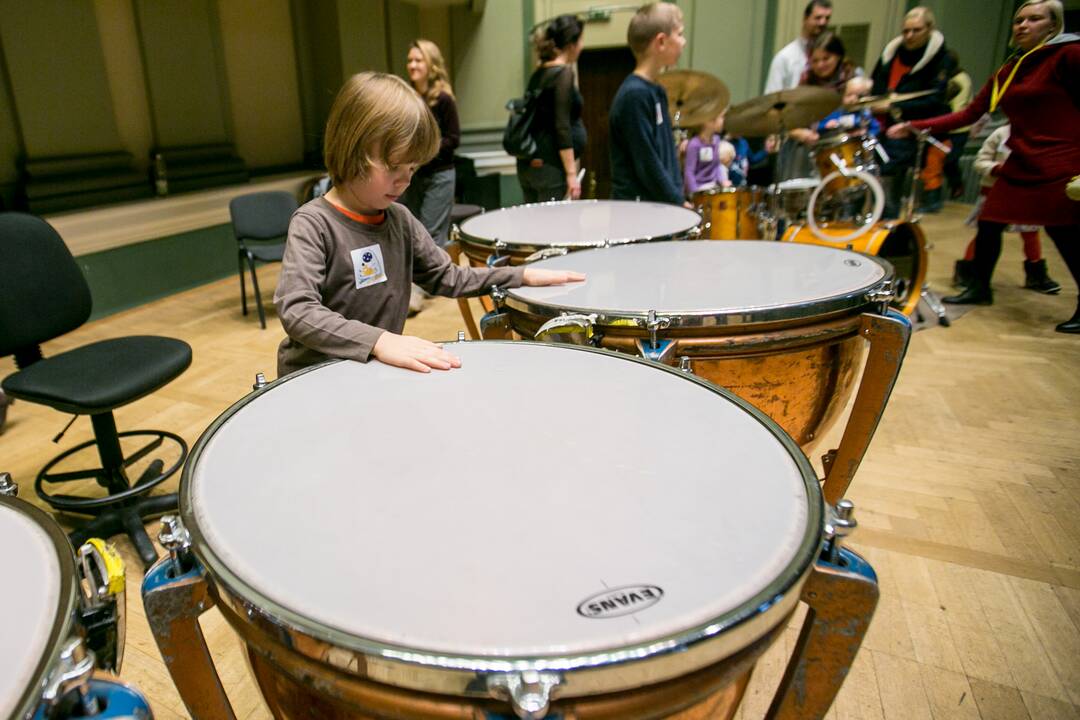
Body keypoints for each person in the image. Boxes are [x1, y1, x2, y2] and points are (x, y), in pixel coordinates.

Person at [274, 73, 585, 377]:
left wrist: (521, 275)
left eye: (412, 168)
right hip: (312, 377)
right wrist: (380, 341)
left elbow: (448, 277)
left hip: (365, 372)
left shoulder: (399, 219)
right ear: (350, 149)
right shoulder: (314, 223)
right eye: (394, 166)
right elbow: (298, 311)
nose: (405, 180)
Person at [888, 0, 1080, 333]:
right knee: (989, 221)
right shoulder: (1010, 69)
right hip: (1021, 159)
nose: (1022, 25)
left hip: (1061, 162)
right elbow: (968, 114)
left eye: (1034, 19)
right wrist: (915, 125)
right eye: (1018, 20)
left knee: (1064, 233)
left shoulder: (1069, 56)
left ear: (1053, 26)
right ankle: (979, 288)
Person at [952, 124, 1060, 295]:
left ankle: (1037, 275)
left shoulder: (1042, 134)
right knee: (986, 234)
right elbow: (980, 162)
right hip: (995, 192)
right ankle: (968, 272)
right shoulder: (1001, 133)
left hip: (1026, 193)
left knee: (1031, 233)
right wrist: (998, 169)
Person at [871, 6, 954, 217]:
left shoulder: (943, 59)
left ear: (929, 29)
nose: (909, 36)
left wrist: (895, 107)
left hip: (912, 129)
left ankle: (889, 226)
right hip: (881, 125)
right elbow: (875, 87)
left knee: (891, 173)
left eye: (916, 30)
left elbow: (935, 100)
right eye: (905, 31)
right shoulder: (891, 54)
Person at [400, 39, 459, 315]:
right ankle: (418, 283)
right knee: (410, 230)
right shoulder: (408, 98)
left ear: (431, 65)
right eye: (410, 60)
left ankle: (420, 288)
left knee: (431, 232)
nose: (412, 65)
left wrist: (423, 154)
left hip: (438, 175)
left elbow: (453, 139)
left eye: (418, 60)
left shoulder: (443, 99)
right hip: (412, 175)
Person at [609, 2, 688, 206]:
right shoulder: (634, 95)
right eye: (679, 34)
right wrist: (677, 202)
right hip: (637, 214)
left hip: (657, 207)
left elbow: (665, 155)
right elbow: (647, 163)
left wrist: (677, 194)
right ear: (661, 41)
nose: (684, 42)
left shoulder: (656, 90)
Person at [517, 14, 587, 203]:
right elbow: (562, 125)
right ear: (571, 43)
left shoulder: (538, 74)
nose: (581, 47)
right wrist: (572, 174)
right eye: (580, 41)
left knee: (534, 229)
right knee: (555, 228)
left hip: (528, 167)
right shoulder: (563, 74)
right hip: (551, 168)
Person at [778, 32, 854, 181]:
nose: (820, 65)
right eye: (815, 61)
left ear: (838, 56)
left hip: (842, 148)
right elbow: (789, 119)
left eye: (826, 59)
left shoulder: (852, 79)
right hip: (809, 147)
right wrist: (798, 132)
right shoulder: (806, 80)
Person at [764, 0, 833, 93]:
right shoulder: (785, 58)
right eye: (818, 18)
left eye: (827, 18)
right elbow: (771, 97)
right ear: (805, 18)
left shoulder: (831, 58)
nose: (823, 22)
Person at [684, 112, 734, 195]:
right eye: (721, 117)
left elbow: (717, 165)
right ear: (709, 121)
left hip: (713, 187)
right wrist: (695, 194)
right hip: (699, 189)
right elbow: (689, 172)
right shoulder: (694, 144)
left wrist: (723, 180)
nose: (723, 120)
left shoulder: (716, 140)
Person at [815, 77, 881, 137]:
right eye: (849, 95)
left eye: (859, 96)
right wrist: (825, 125)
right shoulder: (834, 112)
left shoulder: (863, 115)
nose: (853, 100)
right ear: (843, 95)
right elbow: (816, 127)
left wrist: (866, 133)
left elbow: (876, 127)